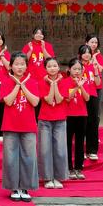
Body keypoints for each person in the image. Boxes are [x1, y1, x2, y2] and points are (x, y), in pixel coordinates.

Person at [0, 51, 40, 202]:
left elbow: (35, 102)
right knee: (10, 158)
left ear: (26, 66)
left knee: (29, 157)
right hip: (10, 125)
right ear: (10, 66)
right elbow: (8, 101)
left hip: (28, 126)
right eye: (16, 64)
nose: (19, 67)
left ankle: (25, 187)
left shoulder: (33, 81)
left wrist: (23, 85)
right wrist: (17, 85)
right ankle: (14, 188)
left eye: (22, 64)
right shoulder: (5, 81)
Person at [37, 57, 68, 189]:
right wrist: (52, 84)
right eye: (49, 66)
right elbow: (49, 100)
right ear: (45, 69)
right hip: (44, 120)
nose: (52, 68)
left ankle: (58, 177)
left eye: (54, 66)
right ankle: (47, 178)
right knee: (45, 150)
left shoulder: (65, 82)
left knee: (60, 150)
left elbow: (60, 100)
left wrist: (55, 83)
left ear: (58, 67)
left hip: (60, 119)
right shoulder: (41, 82)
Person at [63, 58, 90, 180]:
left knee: (80, 143)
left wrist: (81, 86)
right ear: (69, 70)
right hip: (69, 116)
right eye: (74, 69)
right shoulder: (65, 82)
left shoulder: (85, 81)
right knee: (68, 142)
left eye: (79, 69)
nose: (77, 71)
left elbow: (87, 98)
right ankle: (69, 168)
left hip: (82, 115)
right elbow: (67, 98)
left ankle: (79, 168)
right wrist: (76, 87)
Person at [78, 44, 101, 161]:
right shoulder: (77, 67)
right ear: (80, 55)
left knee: (93, 123)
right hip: (81, 97)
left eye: (88, 52)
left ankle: (92, 150)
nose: (87, 54)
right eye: (84, 52)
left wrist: (96, 70)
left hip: (93, 96)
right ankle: (80, 151)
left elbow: (97, 83)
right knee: (82, 124)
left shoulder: (93, 66)